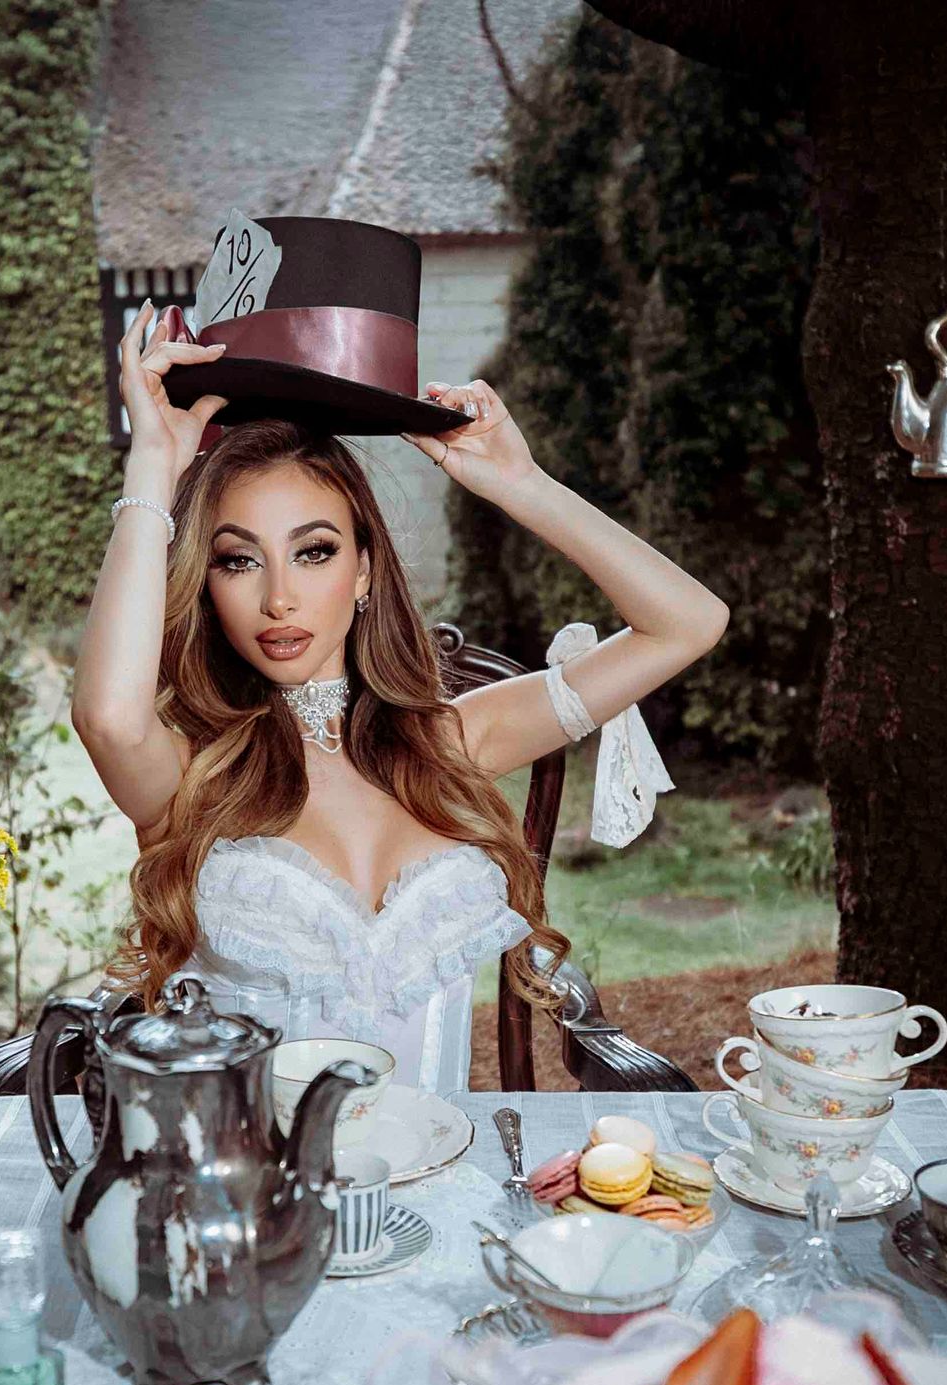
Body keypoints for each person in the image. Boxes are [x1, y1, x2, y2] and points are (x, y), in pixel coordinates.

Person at [72, 301, 729, 1094]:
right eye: (239, 561)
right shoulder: (192, 774)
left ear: (363, 572)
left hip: (443, 1168)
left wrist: (521, 485)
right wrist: (151, 466)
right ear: (206, 585)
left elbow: (687, 623)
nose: (279, 598)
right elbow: (108, 717)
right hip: (250, 1172)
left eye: (314, 552)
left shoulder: (453, 740)